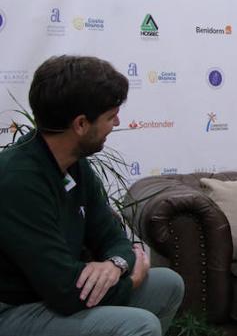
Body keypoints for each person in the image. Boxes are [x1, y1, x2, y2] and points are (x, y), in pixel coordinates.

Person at [0, 55, 184, 336]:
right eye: (111, 116)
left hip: (55, 297)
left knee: (168, 284)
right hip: (14, 311)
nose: (118, 122)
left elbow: (112, 237)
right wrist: (131, 280)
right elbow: (64, 292)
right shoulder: (18, 181)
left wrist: (116, 263)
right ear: (81, 124)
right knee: (140, 325)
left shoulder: (74, 162)